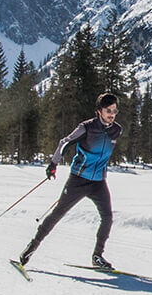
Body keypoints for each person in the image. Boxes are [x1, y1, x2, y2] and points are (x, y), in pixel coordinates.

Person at [14, 92, 122, 271]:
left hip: (98, 182)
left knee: (107, 217)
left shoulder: (116, 129)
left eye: (114, 110)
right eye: (108, 110)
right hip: (78, 180)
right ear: (99, 111)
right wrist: (53, 163)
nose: (112, 114)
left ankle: (97, 256)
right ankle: (30, 249)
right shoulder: (86, 127)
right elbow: (65, 143)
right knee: (57, 214)